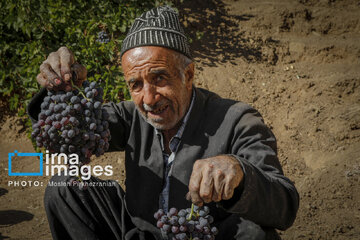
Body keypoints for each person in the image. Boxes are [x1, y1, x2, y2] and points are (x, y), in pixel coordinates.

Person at [28, 6, 299, 240]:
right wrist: (60, 88)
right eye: (136, 84)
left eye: (159, 78)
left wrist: (240, 172)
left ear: (188, 74)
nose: (148, 98)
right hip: (138, 234)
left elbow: (285, 205)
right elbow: (72, 131)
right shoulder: (133, 116)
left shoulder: (237, 120)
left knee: (254, 233)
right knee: (66, 188)